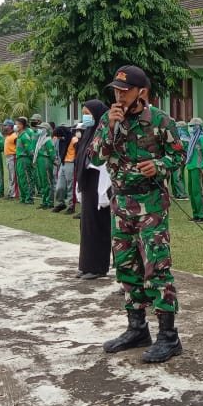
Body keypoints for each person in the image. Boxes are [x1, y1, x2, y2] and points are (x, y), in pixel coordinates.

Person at [90, 65, 185, 363]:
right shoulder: (108, 119)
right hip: (121, 205)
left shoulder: (160, 120)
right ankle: (137, 328)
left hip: (150, 206)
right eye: (116, 90)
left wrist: (159, 166)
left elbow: (179, 155)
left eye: (125, 90)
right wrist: (110, 128)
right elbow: (95, 157)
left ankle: (169, 336)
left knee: (156, 268)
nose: (119, 96)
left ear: (141, 92)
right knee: (126, 267)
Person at [74, 99, 112, 279]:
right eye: (83, 113)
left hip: (99, 183)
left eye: (87, 114)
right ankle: (86, 264)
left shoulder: (103, 133)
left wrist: (103, 190)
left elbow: (103, 162)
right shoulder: (88, 133)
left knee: (98, 224)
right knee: (86, 225)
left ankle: (98, 267)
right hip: (88, 183)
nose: (85, 117)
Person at [184, 117, 203, 222]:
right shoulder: (193, 138)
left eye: (192, 126)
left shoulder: (201, 138)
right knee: (192, 192)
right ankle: (196, 214)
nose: (190, 128)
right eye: (190, 126)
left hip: (198, 168)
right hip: (191, 167)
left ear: (197, 127)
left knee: (199, 192)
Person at [52, 124, 77, 212]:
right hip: (63, 163)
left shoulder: (74, 140)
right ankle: (61, 203)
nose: (58, 138)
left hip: (71, 163)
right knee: (59, 186)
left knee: (71, 186)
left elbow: (78, 152)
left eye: (58, 136)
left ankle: (71, 206)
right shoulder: (62, 140)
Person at [34, 121, 56, 209]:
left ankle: (49, 202)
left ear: (46, 130)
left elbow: (52, 154)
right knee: (42, 182)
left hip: (45, 161)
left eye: (41, 128)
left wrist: (54, 161)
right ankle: (44, 201)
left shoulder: (48, 140)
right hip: (40, 161)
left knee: (48, 182)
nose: (39, 129)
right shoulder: (41, 139)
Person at [15, 116, 36, 204]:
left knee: (26, 179)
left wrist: (32, 161)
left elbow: (29, 150)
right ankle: (23, 197)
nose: (16, 126)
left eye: (18, 124)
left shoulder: (25, 136)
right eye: (16, 124)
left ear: (23, 125)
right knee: (21, 179)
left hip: (24, 159)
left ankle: (29, 198)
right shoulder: (19, 135)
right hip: (19, 159)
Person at [170, 120, 189, 200]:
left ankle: (182, 195)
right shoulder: (185, 136)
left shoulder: (183, 138)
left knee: (177, 177)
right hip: (178, 159)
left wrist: (170, 145)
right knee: (177, 176)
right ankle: (176, 194)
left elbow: (177, 148)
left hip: (179, 160)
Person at [2, 119, 17, 198]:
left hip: (13, 157)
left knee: (13, 175)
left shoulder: (14, 136)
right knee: (10, 176)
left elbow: (18, 147)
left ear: (11, 126)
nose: (4, 127)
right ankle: (11, 191)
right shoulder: (8, 135)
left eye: (6, 125)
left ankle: (14, 193)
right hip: (8, 157)